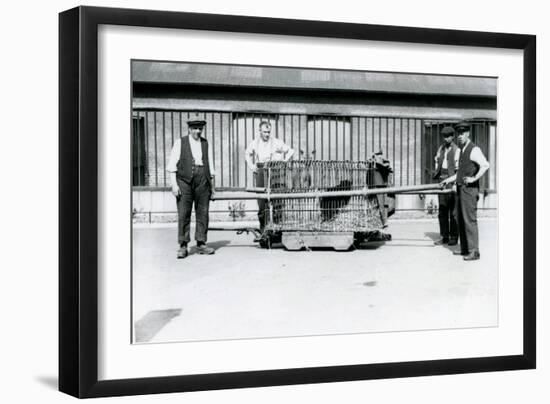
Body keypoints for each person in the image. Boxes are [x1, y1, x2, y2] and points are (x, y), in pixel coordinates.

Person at [167, 112, 216, 259]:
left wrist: (212, 188)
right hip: (184, 181)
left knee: (203, 212)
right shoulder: (180, 142)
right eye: (195, 128)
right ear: (189, 129)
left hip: (203, 181)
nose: (198, 131)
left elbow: (210, 166)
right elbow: (171, 166)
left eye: (200, 128)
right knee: (184, 213)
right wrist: (174, 185)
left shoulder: (205, 143)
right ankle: (183, 245)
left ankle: (201, 243)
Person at [440, 121, 490, 261]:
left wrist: (474, 178)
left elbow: (485, 165)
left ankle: (474, 251)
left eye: (463, 133)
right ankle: (465, 249)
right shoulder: (462, 150)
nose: (460, 136)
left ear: (468, 133)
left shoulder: (474, 149)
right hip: (461, 189)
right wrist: (448, 180)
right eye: (458, 134)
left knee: (469, 220)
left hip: (469, 190)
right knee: (461, 219)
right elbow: (460, 173)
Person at [245, 120, 294, 233]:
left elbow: (291, 151)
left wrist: (284, 162)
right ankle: (263, 229)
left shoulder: (276, 142)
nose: (267, 134)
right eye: (265, 132)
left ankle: (277, 229)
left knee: (276, 200)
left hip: (274, 171)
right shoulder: (255, 143)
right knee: (262, 201)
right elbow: (247, 153)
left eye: (268, 132)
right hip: (261, 171)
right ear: (260, 131)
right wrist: (252, 167)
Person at [432, 126, 460, 246]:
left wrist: (453, 183)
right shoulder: (441, 148)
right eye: (444, 136)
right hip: (442, 180)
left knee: (453, 211)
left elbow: (458, 170)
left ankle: (454, 237)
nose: (446, 138)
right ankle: (444, 236)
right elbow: (437, 160)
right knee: (442, 210)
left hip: (451, 180)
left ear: (453, 136)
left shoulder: (457, 150)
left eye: (448, 136)